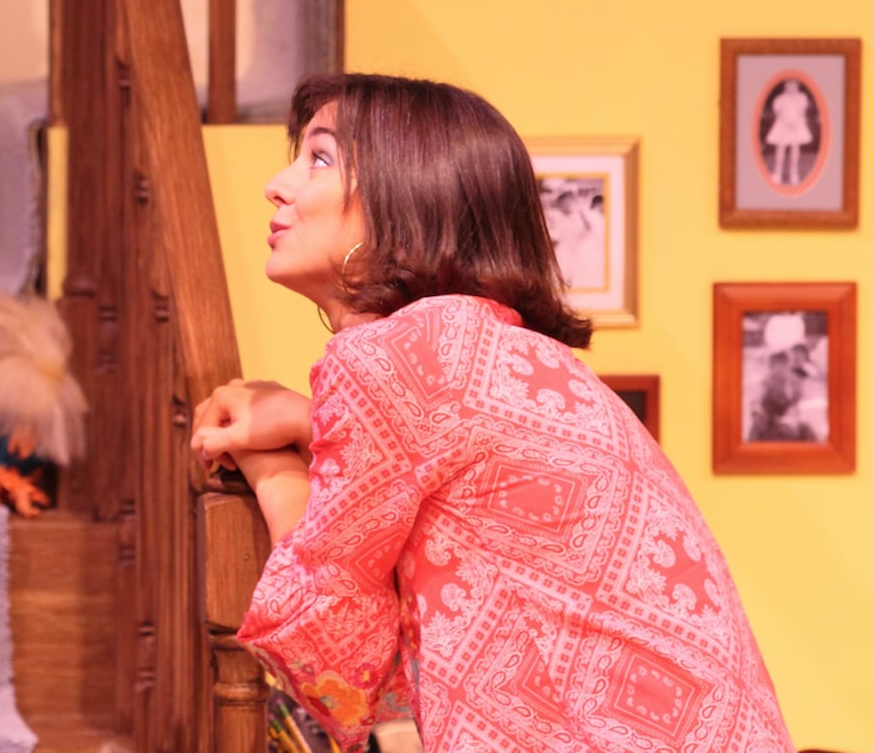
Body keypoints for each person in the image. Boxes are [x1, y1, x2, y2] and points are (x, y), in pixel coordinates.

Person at [190, 73, 793, 752]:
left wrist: (271, 465)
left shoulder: (397, 356)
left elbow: (337, 657)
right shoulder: (486, 348)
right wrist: (310, 420)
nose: (278, 182)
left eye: (320, 158)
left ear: (404, 200)